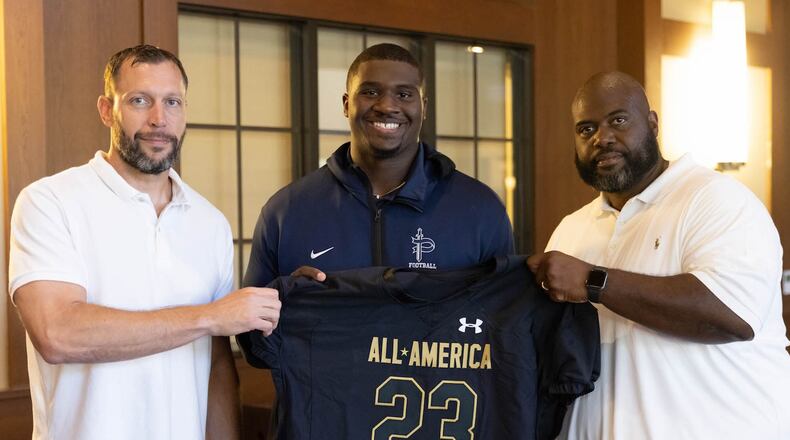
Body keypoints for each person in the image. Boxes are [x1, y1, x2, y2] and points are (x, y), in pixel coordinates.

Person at [239, 43, 514, 437]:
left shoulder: (479, 209)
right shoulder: (288, 209)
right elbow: (252, 345)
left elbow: (504, 335)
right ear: (347, 103)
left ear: (423, 106)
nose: (387, 105)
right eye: (370, 92)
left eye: (404, 94)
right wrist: (282, 308)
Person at [8, 45, 281, 440]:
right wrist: (209, 316)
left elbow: (217, 367)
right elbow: (57, 334)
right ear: (107, 109)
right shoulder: (50, 201)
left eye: (172, 102)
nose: (159, 119)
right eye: (140, 100)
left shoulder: (210, 223)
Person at [527, 71, 790, 439]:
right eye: (586, 129)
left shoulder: (716, 200)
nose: (602, 138)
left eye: (618, 120)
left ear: (652, 123)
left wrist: (593, 281)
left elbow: (731, 316)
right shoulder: (572, 228)